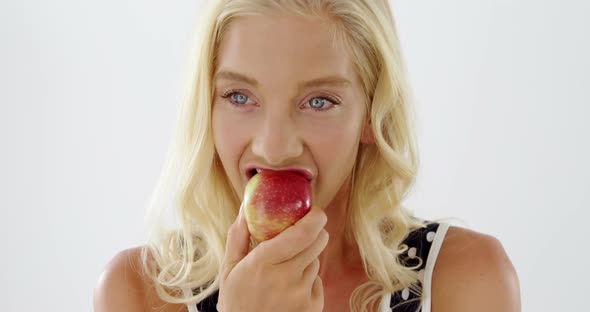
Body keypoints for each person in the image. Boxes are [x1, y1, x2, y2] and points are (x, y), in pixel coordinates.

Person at [94, 0, 521, 311]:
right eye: (239, 96)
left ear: (373, 114)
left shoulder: (463, 282)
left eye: (318, 101)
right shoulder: (137, 293)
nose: (274, 147)